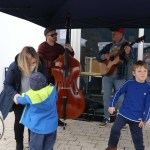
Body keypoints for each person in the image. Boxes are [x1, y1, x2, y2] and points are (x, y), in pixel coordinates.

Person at [2, 46, 46, 150]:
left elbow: (44, 81)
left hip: (33, 98)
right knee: (19, 121)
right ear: (24, 62)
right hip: (20, 98)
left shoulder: (40, 64)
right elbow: (7, 84)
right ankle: (19, 144)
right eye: (31, 63)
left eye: (34, 62)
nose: (33, 65)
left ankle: (32, 144)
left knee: (33, 121)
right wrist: (14, 95)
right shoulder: (14, 67)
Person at [105, 60, 150, 150]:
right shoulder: (129, 83)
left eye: (145, 71)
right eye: (139, 71)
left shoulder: (148, 87)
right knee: (115, 129)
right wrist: (112, 104)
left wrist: (144, 119)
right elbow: (117, 92)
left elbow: (148, 105)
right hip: (123, 114)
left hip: (137, 118)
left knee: (138, 140)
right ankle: (112, 147)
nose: (143, 73)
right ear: (134, 73)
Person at [96, 27, 135, 127]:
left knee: (121, 98)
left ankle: (121, 120)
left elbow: (131, 60)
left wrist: (128, 54)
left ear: (121, 34)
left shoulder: (127, 46)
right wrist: (104, 56)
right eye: (112, 33)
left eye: (115, 33)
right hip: (107, 75)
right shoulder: (109, 46)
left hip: (120, 76)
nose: (113, 35)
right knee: (106, 97)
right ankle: (106, 117)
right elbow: (98, 57)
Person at [37, 26, 74, 126]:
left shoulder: (58, 47)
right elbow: (40, 61)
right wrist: (54, 63)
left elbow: (69, 58)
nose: (55, 36)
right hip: (46, 76)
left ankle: (55, 119)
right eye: (52, 35)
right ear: (46, 36)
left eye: (56, 34)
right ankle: (45, 119)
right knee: (46, 99)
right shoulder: (42, 47)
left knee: (54, 99)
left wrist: (70, 50)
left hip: (57, 77)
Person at [13, 72, 58, 150]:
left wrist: (16, 97)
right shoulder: (52, 89)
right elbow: (56, 98)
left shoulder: (31, 95)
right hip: (52, 127)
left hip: (38, 129)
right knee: (49, 147)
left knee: (35, 147)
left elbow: (21, 100)